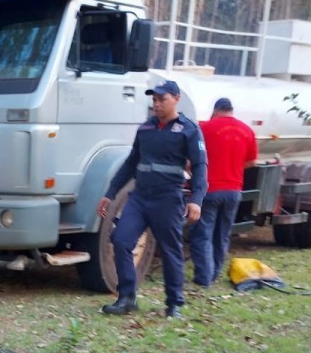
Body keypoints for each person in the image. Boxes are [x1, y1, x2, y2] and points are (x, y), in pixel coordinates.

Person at [96, 80, 207, 319]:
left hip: (168, 200)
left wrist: (196, 199)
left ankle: (174, 303)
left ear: (176, 98)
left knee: (170, 251)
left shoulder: (188, 129)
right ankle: (127, 297)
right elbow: (130, 163)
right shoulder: (145, 129)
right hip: (139, 198)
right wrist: (110, 193)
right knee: (122, 240)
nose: (156, 104)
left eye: (161, 99)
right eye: (154, 100)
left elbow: (200, 166)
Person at [188, 97, 258, 287]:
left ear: (216, 110)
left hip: (210, 190)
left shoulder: (205, 127)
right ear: (231, 110)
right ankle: (214, 273)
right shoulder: (247, 130)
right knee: (222, 235)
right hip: (234, 190)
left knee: (203, 234)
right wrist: (233, 167)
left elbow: (192, 157)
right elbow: (252, 162)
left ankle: (204, 278)